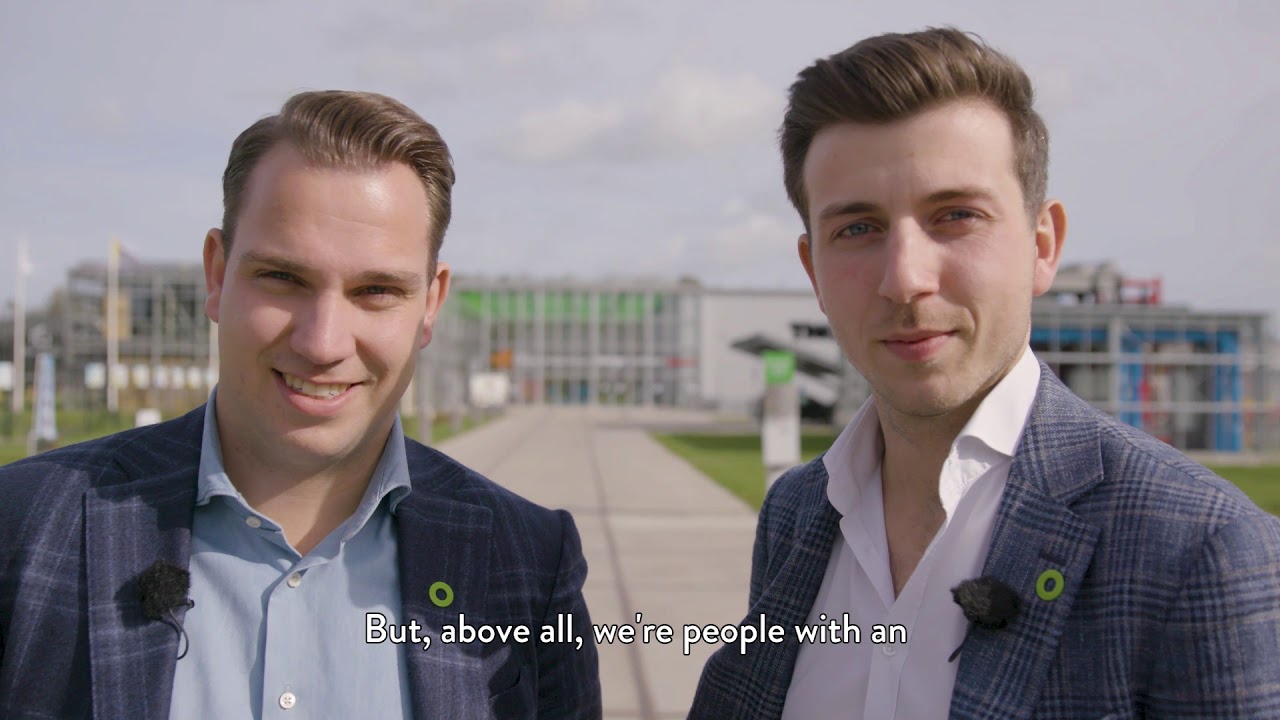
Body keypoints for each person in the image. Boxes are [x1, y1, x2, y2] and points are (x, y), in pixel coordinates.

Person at [689, 28, 1280, 719]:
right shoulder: (795, 513)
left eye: (956, 216)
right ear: (812, 270)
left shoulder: (1200, 547)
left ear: (1042, 246)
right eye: (857, 229)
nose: (904, 279)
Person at [0, 90, 601, 719]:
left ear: (430, 304)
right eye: (284, 278)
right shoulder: (22, 530)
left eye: (376, 290)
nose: (322, 343)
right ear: (216, 274)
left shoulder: (530, 565)